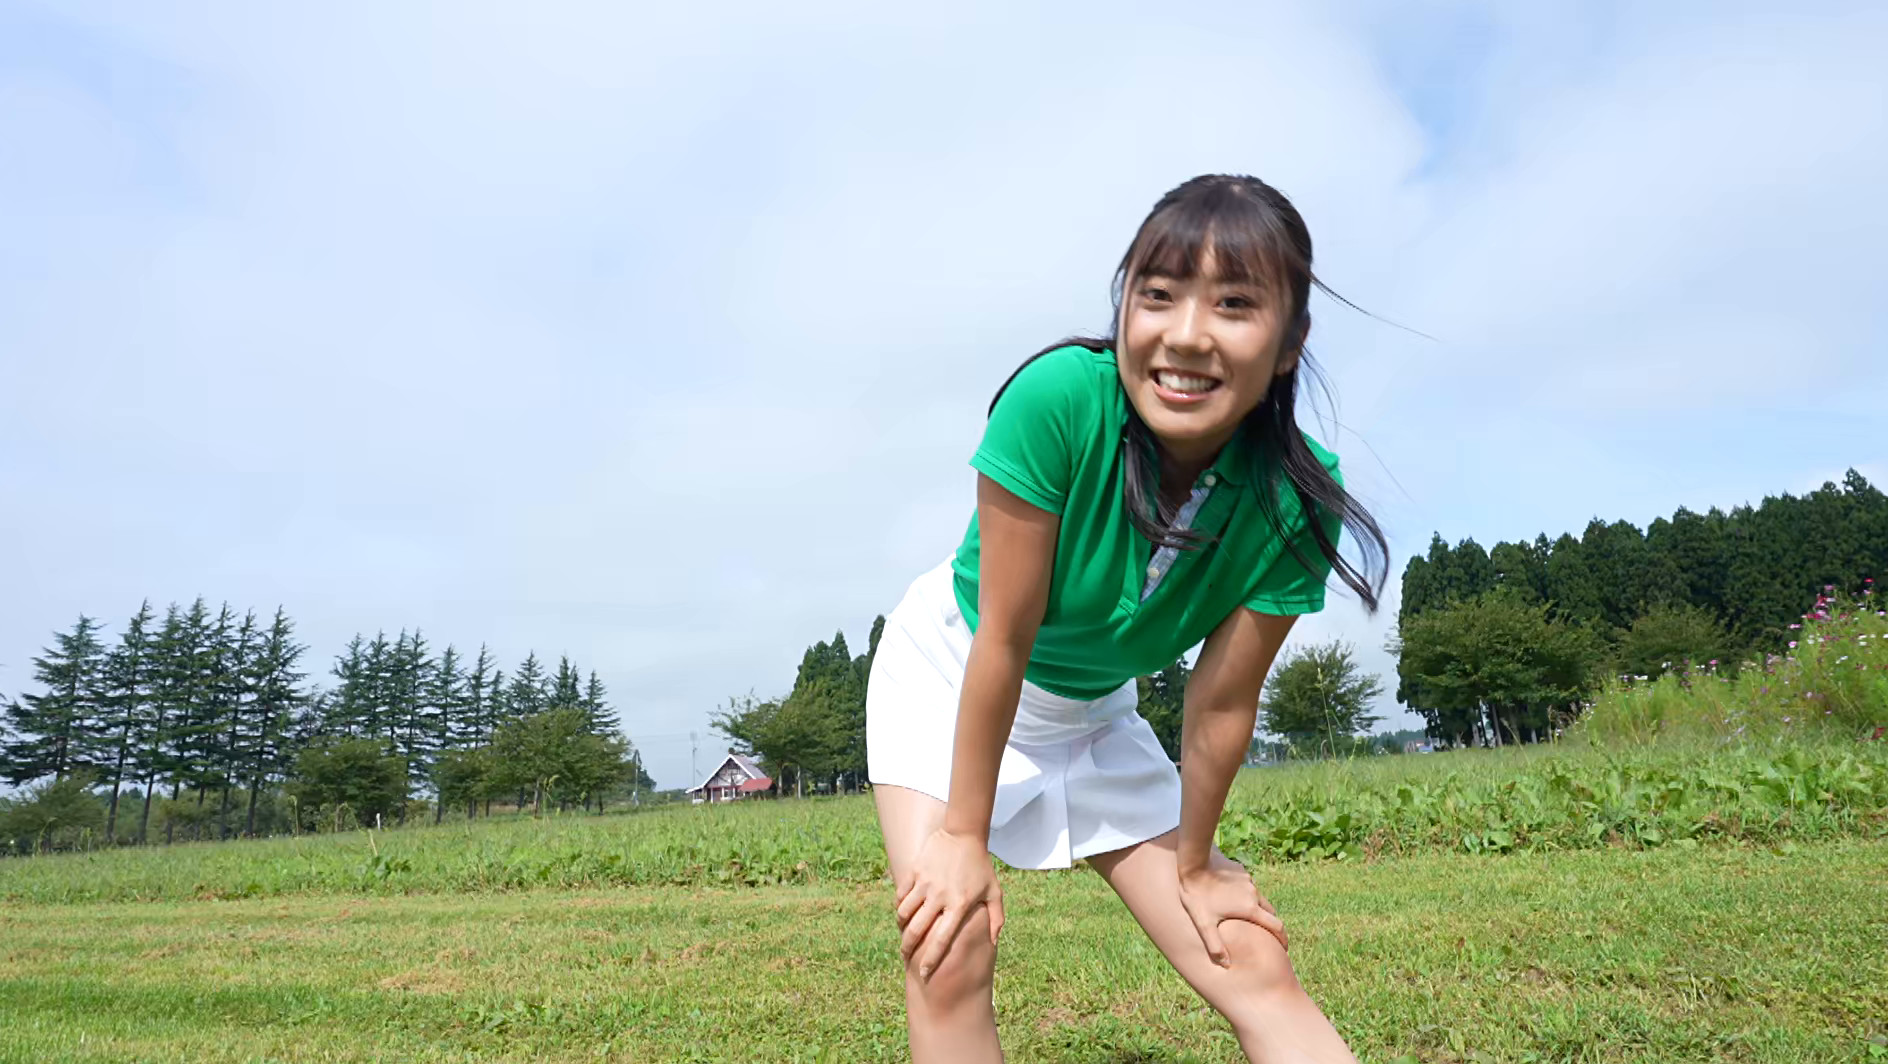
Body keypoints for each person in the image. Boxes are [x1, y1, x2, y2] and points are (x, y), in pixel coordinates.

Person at [864, 174, 1390, 1062]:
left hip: (1095, 711)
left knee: (1248, 953)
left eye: (1234, 303)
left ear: (1291, 340)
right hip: (954, 675)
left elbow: (1222, 703)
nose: (1186, 336)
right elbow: (1006, 633)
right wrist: (962, 835)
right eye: (1158, 295)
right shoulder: (1060, 399)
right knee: (949, 945)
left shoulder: (1298, 498)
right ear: (1125, 309)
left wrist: (1196, 862)